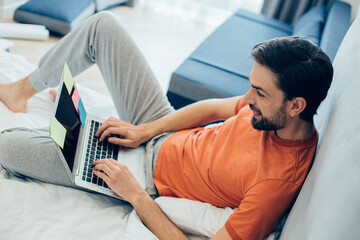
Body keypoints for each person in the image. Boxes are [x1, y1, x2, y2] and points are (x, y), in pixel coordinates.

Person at [0, 12, 333, 240]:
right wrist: (145, 130)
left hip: (144, 178)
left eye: (259, 93)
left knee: (7, 146)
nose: (246, 99)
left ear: (296, 106)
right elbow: (214, 108)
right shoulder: (270, 110)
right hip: (158, 132)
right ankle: (20, 92)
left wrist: (133, 194)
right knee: (103, 27)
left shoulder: (276, 182)